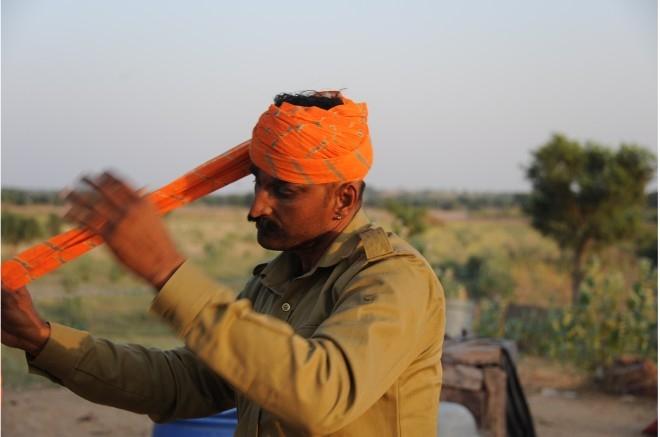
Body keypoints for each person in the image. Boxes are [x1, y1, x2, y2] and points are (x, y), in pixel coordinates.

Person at [1, 91, 445, 436]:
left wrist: (166, 270)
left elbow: (321, 396)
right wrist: (41, 339)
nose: (256, 208)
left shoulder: (394, 279)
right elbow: (183, 383)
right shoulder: (276, 281)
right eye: (258, 183)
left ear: (343, 199)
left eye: (283, 191)